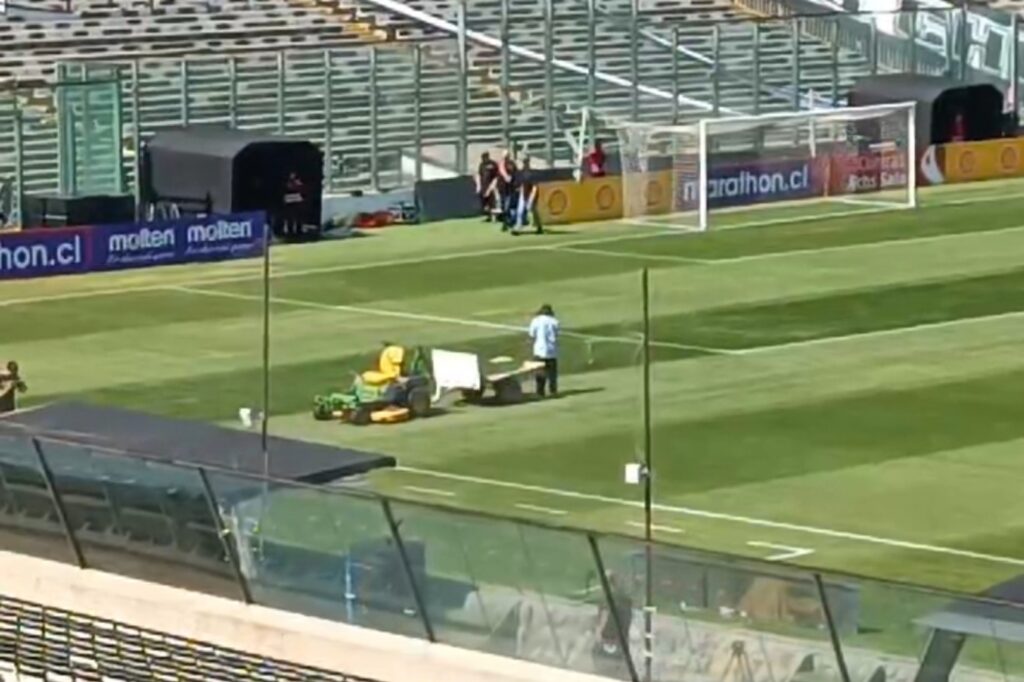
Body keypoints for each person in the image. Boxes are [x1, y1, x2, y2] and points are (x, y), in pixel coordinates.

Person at [594, 572, 634, 659]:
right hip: (620, 619)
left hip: (613, 625)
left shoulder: (608, 599)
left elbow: (604, 615)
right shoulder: (624, 600)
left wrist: (599, 629)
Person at [528, 304, 559, 397]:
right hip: (551, 351)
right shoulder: (555, 321)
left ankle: (540, 392)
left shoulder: (536, 321)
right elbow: (556, 334)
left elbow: (532, 334)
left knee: (540, 372)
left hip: (539, 350)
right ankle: (553, 391)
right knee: (552, 373)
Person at [512, 156, 543, 235]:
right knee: (520, 211)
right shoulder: (521, 173)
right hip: (523, 194)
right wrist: (520, 192)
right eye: (523, 162)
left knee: (534, 211)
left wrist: (531, 198)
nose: (524, 163)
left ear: (528, 162)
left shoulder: (531, 173)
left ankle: (539, 226)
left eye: (525, 161)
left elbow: (535, 187)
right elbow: (520, 185)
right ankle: (518, 227)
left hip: (531, 193)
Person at [497, 150, 519, 231]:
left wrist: (516, 184)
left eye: (507, 156)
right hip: (502, 188)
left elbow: (516, 173)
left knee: (508, 206)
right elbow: (502, 170)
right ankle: (507, 222)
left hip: (510, 188)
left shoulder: (512, 164)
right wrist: (506, 176)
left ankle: (506, 223)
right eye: (505, 156)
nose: (506, 157)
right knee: (504, 207)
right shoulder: (501, 163)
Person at [476, 151, 499, 222]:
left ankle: (494, 217)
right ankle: (489, 216)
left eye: (485, 157)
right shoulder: (481, 165)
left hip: (492, 185)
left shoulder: (493, 164)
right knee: (485, 202)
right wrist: (478, 185)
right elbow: (479, 175)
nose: (484, 158)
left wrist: (492, 187)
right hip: (483, 186)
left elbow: (496, 176)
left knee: (492, 202)